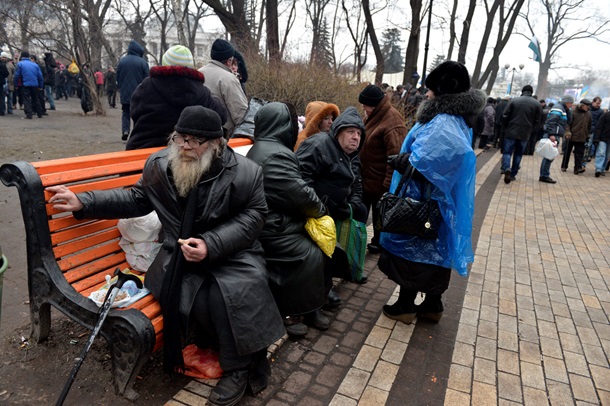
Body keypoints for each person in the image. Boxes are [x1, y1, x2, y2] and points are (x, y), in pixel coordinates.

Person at [46, 105, 285, 406]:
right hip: (177, 254)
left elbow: (254, 216)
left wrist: (211, 244)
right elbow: (136, 199)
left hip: (232, 252)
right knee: (201, 295)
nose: (185, 146)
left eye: (195, 141)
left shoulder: (246, 172)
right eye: (180, 137)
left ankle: (237, 369)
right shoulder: (160, 164)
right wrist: (84, 202)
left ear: (216, 143)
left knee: (230, 293)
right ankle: (223, 352)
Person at [377, 61, 485, 325]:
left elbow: (445, 156)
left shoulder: (444, 120)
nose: (426, 94)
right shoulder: (455, 118)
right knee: (435, 254)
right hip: (438, 202)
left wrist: (405, 162)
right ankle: (431, 306)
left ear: (442, 90)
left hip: (424, 200)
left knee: (413, 251)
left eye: (430, 89)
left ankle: (405, 306)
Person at [246, 102, 329, 337]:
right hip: (270, 226)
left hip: (271, 219)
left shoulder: (267, 148)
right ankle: (290, 312)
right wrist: (320, 209)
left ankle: (312, 305)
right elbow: (300, 195)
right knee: (309, 251)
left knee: (319, 246)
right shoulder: (275, 155)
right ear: (283, 126)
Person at [296, 106, 369, 304]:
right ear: (338, 131)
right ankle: (318, 295)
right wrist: (321, 207)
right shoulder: (319, 145)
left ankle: (326, 288)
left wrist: (352, 205)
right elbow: (300, 178)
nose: (356, 138)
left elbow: (357, 184)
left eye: (359, 134)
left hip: (333, 213)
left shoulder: (351, 154)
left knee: (331, 251)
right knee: (319, 254)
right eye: (350, 132)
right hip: (314, 213)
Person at [126, 45, 227, 150]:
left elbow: (134, 112)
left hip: (142, 148)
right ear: (190, 67)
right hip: (184, 152)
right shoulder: (200, 91)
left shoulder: (147, 86)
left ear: (165, 64)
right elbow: (221, 116)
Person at [357, 84, 407, 254]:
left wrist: (388, 185)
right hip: (366, 179)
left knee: (380, 215)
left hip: (380, 183)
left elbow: (396, 156)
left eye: (365, 106)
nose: (363, 109)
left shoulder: (392, 121)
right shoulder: (372, 116)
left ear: (374, 104)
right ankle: (356, 242)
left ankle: (378, 243)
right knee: (361, 214)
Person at [199, 39, 248, 135]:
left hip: (197, 136)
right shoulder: (228, 79)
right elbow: (241, 114)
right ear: (229, 61)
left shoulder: (197, 73)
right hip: (222, 137)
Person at [501, 85, 542, 184]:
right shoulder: (536, 104)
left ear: (522, 91)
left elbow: (505, 115)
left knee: (507, 152)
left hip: (511, 130)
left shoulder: (514, 101)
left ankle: (506, 167)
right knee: (518, 154)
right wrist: (531, 130)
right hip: (525, 133)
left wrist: (505, 127)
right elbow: (538, 121)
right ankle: (512, 174)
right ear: (531, 92)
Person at [117, 40, 149, 141]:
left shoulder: (122, 61)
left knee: (125, 112)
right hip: (139, 92)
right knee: (137, 113)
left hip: (125, 92)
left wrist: (121, 88)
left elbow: (117, 77)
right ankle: (135, 133)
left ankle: (125, 131)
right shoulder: (142, 62)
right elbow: (147, 78)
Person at [540, 94, 574, 184]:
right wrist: (551, 134)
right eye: (571, 103)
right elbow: (551, 121)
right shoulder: (558, 108)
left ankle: (544, 174)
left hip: (555, 134)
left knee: (549, 155)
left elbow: (569, 121)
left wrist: (568, 111)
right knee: (549, 156)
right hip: (554, 134)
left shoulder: (563, 109)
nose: (572, 105)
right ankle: (544, 175)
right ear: (567, 102)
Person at [561, 99, 591, 174]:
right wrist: (567, 132)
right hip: (571, 136)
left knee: (579, 153)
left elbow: (589, 126)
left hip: (582, 137)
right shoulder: (573, 112)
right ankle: (564, 166)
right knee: (567, 152)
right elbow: (568, 123)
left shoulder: (588, 114)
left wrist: (587, 135)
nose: (588, 107)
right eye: (586, 105)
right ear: (582, 105)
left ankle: (577, 168)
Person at [13, 51, 44, 119]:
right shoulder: (35, 65)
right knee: (35, 98)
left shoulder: (20, 64)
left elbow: (16, 75)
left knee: (26, 99)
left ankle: (29, 114)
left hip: (25, 84)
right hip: (35, 84)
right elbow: (40, 76)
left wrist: (16, 85)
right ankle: (40, 113)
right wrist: (41, 86)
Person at [593, 109, 610, 177]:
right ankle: (598, 169)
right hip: (603, 138)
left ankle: (602, 169)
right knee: (601, 153)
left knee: (607, 155)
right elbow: (599, 126)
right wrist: (596, 138)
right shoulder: (606, 115)